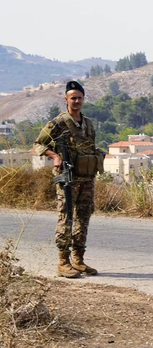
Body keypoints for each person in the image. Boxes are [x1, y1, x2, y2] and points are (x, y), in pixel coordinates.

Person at [34, 81, 104, 278]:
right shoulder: (58, 123)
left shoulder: (88, 123)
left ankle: (78, 260)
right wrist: (55, 156)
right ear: (66, 99)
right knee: (66, 217)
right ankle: (63, 262)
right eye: (73, 98)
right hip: (68, 177)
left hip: (87, 178)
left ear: (83, 99)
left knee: (84, 217)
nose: (76, 101)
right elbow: (39, 144)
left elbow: (91, 146)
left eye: (79, 98)